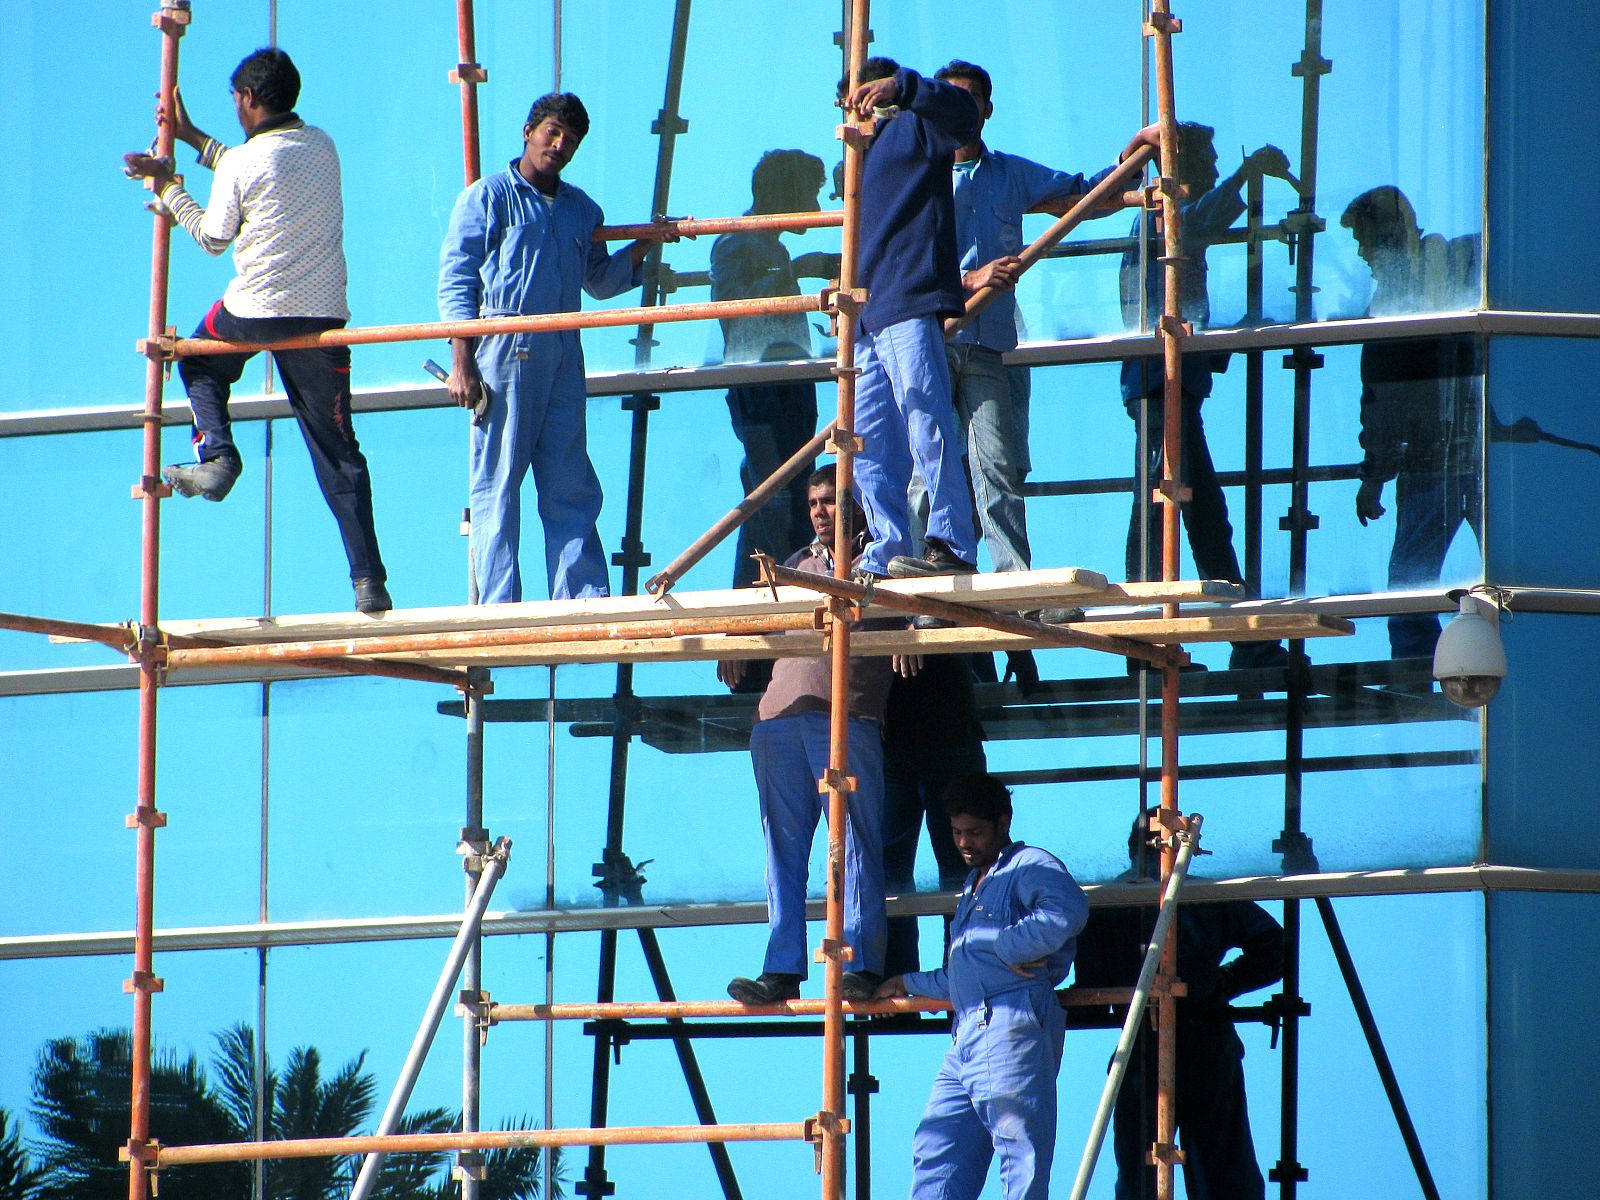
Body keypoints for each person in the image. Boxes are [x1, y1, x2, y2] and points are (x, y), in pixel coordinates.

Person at [122, 48, 391, 614]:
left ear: (246, 99)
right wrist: (195, 138)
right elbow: (252, 168)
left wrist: (167, 188)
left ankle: (218, 454)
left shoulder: (244, 163)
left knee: (196, 359)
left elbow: (214, 236)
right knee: (339, 453)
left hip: (255, 311)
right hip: (320, 317)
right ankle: (369, 582)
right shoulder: (322, 144)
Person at [437, 93, 656, 604]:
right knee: (499, 477)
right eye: (552, 132)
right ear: (528, 130)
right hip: (503, 344)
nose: (559, 145)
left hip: (562, 346)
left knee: (569, 477)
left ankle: (581, 596)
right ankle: (499, 604)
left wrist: (646, 243)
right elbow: (457, 280)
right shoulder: (488, 196)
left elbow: (597, 282)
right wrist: (461, 360)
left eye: (571, 140)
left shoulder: (582, 209)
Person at [1120, 123, 1293, 670]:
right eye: (1212, 161)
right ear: (1184, 165)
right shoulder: (1160, 215)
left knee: (1190, 508)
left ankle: (1228, 638)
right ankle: (1162, 637)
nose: (1217, 168)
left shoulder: (1166, 221)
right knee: (1168, 506)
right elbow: (1193, 229)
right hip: (1159, 382)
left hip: (1173, 382)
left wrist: (1232, 336)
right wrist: (1248, 175)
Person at [876, 774, 1088, 1200]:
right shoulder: (975, 884)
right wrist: (906, 982)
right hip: (969, 1029)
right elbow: (967, 968)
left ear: (1003, 822)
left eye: (974, 832)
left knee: (1017, 1153)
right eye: (956, 833)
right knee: (937, 1146)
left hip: (1007, 1023)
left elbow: (1068, 907)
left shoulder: (1028, 864)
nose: (963, 843)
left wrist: (1010, 947)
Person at [726, 464, 892, 1004]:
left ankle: (861, 966)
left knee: (855, 847)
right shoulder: (794, 565)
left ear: (859, 504)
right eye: (814, 503)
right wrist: (734, 643)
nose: (820, 512)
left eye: (831, 501)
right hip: (777, 722)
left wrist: (917, 630)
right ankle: (781, 970)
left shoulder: (884, 562)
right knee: (783, 851)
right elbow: (751, 618)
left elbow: (925, 610)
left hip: (847, 719)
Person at [1073, 808, 1284, 1200]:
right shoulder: (1195, 895)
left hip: (1156, 1045)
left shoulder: (1109, 905)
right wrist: (1217, 985)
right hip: (1189, 1040)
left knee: (1150, 1178)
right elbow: (1275, 948)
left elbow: (1091, 991)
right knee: (1215, 1175)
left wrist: (1219, 984)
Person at [836, 58, 984, 582]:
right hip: (865, 313)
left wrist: (906, 89)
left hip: (908, 299)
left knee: (926, 419)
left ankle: (950, 541)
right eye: (851, 105)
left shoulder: (917, 128)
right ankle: (888, 545)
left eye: (866, 101)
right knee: (869, 442)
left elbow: (964, 114)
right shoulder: (856, 161)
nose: (859, 114)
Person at [1341, 186, 1482, 660]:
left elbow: (1382, 405)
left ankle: (1416, 674)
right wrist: (1375, 474)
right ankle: (1424, 669)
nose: (1362, 254)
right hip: (1468, 455)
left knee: (1409, 587)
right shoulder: (1458, 264)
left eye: (1366, 242)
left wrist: (1375, 476)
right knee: (1503, 576)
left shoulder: (1399, 300)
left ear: (1390, 236)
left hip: (1440, 460)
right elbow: (1381, 404)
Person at [711, 150, 839, 591]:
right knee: (777, 500)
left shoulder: (769, 245)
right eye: (809, 196)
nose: (818, 210)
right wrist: (796, 272)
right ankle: (776, 596)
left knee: (781, 492)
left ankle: (765, 594)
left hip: (785, 387)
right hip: (762, 393)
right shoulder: (737, 241)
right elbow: (735, 307)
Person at [880, 652, 987, 977]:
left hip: (940, 728)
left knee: (960, 862)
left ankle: (956, 979)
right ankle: (907, 987)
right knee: (891, 869)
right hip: (905, 733)